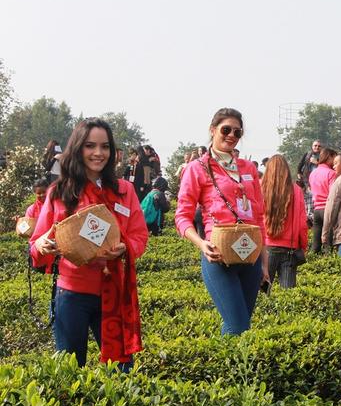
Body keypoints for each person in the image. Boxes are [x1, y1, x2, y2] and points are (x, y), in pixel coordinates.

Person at [30, 118, 148, 370]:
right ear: (77, 148)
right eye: (90, 146)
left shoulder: (124, 190)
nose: (98, 153)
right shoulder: (59, 192)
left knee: (122, 373)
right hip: (72, 293)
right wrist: (42, 244)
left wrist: (126, 247)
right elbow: (36, 246)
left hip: (114, 291)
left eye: (105, 146)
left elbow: (139, 236)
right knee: (71, 373)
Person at [175, 108, 269, 335]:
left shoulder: (248, 168)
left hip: (251, 254)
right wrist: (201, 244)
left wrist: (265, 262)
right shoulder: (197, 168)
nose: (231, 136)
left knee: (242, 327)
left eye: (237, 132)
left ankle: (234, 368)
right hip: (218, 253)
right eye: (226, 130)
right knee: (237, 324)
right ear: (212, 130)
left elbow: (258, 217)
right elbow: (182, 216)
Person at [262, 154, 308, 288]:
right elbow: (302, 224)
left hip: (266, 247)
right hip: (290, 249)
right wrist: (303, 246)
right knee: (288, 296)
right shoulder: (296, 191)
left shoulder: (261, 189)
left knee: (262, 293)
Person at [308, 147, 337, 254]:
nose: (335, 161)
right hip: (327, 209)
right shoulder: (331, 173)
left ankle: (312, 265)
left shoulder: (313, 174)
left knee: (315, 245)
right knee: (328, 246)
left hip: (316, 210)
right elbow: (333, 194)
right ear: (328, 157)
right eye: (334, 158)